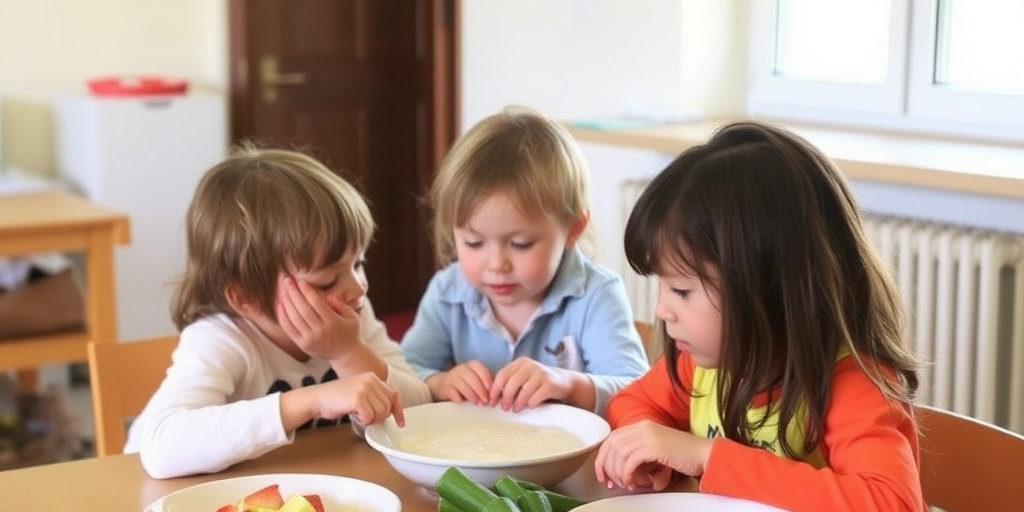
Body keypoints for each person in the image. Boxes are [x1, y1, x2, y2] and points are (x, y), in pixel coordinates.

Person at [593, 122, 925, 512]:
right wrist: (651, 447)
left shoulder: (853, 387)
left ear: (771, 288)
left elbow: (891, 503)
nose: (662, 310)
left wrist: (708, 457)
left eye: (682, 290)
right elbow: (631, 401)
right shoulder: (703, 367)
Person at [125, 145, 431, 479]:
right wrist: (311, 401)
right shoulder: (220, 339)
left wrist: (347, 353)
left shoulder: (352, 318)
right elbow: (160, 449)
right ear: (245, 298)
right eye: (327, 281)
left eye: (358, 263)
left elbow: (420, 414)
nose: (359, 287)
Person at [400, 106, 650, 416]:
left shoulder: (597, 293)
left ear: (573, 229)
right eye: (473, 242)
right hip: (476, 455)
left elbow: (637, 392)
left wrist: (568, 384)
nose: (496, 264)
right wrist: (437, 382)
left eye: (520, 244)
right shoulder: (448, 291)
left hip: (572, 461)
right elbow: (402, 372)